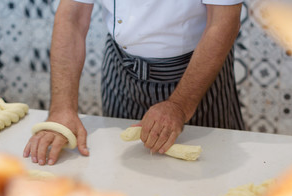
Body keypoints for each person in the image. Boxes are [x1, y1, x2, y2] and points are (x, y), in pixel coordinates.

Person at [23, 0, 245, 165]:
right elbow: (72, 17)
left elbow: (223, 21)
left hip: (193, 71)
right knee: (124, 165)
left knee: (207, 169)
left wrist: (179, 105)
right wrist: (62, 109)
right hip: (121, 67)